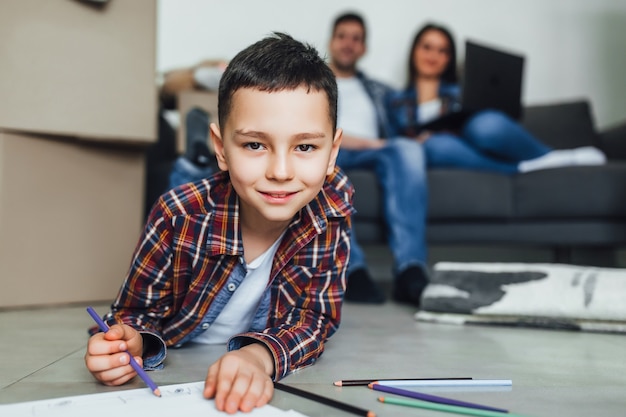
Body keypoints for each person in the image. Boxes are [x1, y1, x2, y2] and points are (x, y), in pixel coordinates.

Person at [84, 32, 353, 414]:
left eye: (305, 146)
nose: (280, 171)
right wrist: (128, 344)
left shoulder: (333, 203)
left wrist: (260, 357)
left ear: (332, 153)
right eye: (254, 145)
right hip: (182, 347)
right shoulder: (176, 214)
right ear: (222, 148)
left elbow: (315, 317)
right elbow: (133, 314)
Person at [386, 23, 606, 174]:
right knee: (435, 146)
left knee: (486, 125)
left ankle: (549, 156)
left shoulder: (461, 91)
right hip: (447, 151)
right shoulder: (394, 100)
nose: (433, 56)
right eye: (427, 47)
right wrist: (414, 142)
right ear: (414, 50)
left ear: (449, 58)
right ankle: (522, 168)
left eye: (442, 50)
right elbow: (388, 142)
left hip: (472, 139)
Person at [328, 12, 430, 306]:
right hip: (332, 149)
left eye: (356, 39)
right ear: (332, 42)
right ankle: (353, 269)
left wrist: (417, 137)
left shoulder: (380, 91)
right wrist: (372, 142)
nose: (348, 44)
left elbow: (406, 123)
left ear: (364, 48)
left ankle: (410, 269)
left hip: (375, 151)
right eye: (342, 36)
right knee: (318, 160)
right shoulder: (312, 82)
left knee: (409, 150)